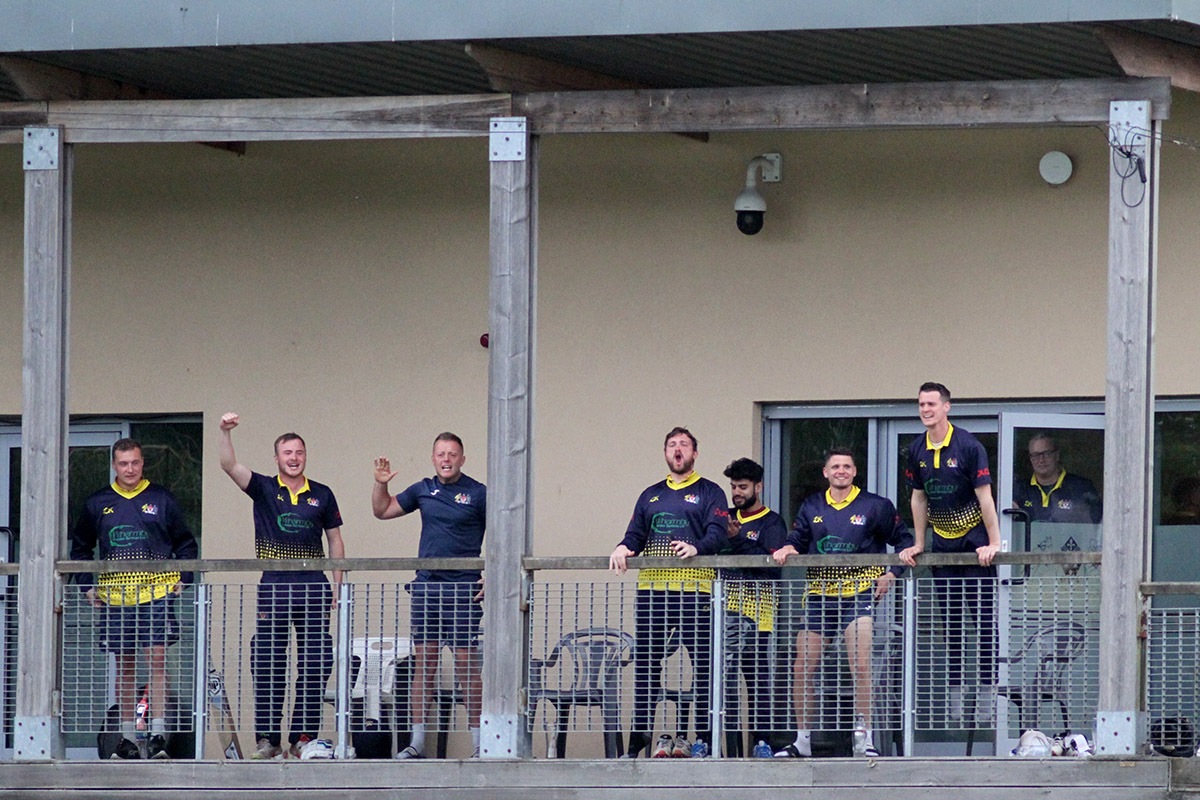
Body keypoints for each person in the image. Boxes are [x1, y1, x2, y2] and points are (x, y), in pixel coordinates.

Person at [218, 412, 345, 760]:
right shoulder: (263, 487)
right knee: (269, 662)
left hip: (314, 587)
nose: (294, 458)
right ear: (276, 458)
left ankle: (303, 738)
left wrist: (338, 585)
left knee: (315, 663)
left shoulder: (322, 494)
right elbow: (228, 465)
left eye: (299, 452)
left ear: (306, 456)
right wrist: (225, 432)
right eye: (287, 453)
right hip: (274, 586)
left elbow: (335, 540)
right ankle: (268, 741)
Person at [771, 448, 912, 759]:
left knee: (861, 664)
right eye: (835, 466)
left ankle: (864, 740)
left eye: (847, 466)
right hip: (819, 594)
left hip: (859, 593)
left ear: (854, 471)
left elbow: (904, 542)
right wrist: (788, 548)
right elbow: (798, 538)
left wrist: (892, 573)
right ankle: (802, 742)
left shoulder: (876, 505)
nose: (841, 471)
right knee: (802, 666)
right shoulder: (812, 505)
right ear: (826, 472)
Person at [70, 438, 198, 760]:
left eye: (135, 462)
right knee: (125, 667)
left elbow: (186, 544)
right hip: (116, 598)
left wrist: (184, 577)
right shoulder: (97, 502)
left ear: (143, 463)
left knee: (157, 661)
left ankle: (159, 735)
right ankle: (126, 739)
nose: (130, 469)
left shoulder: (162, 499)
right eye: (124, 463)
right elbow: (80, 548)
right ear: (114, 465)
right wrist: (87, 586)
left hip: (156, 593)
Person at [609, 427, 729, 758]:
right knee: (646, 667)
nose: (678, 449)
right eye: (672, 445)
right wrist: (622, 547)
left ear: (694, 453)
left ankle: (703, 741)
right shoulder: (650, 495)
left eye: (684, 445)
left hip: (696, 591)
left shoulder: (710, 491)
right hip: (653, 592)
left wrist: (697, 547)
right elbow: (635, 534)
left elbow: (718, 533)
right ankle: (638, 743)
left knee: (703, 667)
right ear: (665, 453)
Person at [372, 433, 486, 759]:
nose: (446, 460)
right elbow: (382, 510)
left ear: (462, 459)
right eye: (441, 454)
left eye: (452, 454)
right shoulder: (423, 489)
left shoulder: (478, 493)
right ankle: (417, 743)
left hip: (463, 589)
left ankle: (480, 744)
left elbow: (504, 533)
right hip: (427, 588)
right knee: (425, 664)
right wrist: (380, 484)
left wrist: (492, 573)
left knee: (465, 664)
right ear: (433, 458)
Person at [899, 382, 1001, 725]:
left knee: (984, 624)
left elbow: (985, 497)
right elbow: (918, 498)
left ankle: (987, 700)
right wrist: (920, 543)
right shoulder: (916, 448)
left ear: (947, 406)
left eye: (931, 403)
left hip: (974, 541)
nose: (925, 410)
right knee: (951, 625)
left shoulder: (969, 446)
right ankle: (956, 701)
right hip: (942, 542)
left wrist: (994, 542)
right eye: (921, 404)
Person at [719, 457, 789, 757]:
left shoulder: (772, 522)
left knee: (757, 680)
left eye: (743, 487)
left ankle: (762, 743)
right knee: (722, 682)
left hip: (758, 614)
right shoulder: (723, 518)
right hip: (723, 612)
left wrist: (738, 540)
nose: (737, 492)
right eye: (733, 486)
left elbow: (771, 565)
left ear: (758, 487)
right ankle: (723, 748)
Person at [1013, 433, 1101, 524]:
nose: (1041, 460)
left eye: (1046, 454)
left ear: (1057, 455)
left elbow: (1097, 525)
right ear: (1030, 459)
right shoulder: (1019, 489)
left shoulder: (1081, 487)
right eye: (1035, 455)